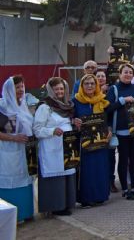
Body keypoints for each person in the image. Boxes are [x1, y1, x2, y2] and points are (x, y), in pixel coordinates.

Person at [34, 77, 81, 215]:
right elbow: (37, 129)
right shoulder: (45, 107)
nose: (59, 91)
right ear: (51, 90)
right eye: (56, 89)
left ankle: (66, 204)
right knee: (56, 177)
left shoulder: (67, 105)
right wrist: (52, 131)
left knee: (67, 174)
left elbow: (66, 123)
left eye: (61, 88)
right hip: (52, 148)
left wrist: (74, 123)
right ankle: (55, 206)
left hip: (66, 147)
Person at [106, 63, 134, 200]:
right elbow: (108, 109)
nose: (128, 74)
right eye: (125, 72)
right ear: (120, 74)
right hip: (121, 130)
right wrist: (123, 100)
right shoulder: (114, 89)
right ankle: (125, 189)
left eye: (130, 72)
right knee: (123, 160)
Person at [73, 74, 111, 207]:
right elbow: (70, 118)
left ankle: (101, 196)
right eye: (86, 84)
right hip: (85, 143)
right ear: (81, 86)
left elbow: (108, 117)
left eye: (92, 83)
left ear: (97, 86)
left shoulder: (102, 100)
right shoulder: (75, 101)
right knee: (87, 171)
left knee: (100, 168)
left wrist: (110, 130)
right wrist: (74, 122)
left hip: (101, 141)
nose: (90, 86)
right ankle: (86, 198)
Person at [0, 76, 34, 222]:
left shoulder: (23, 104)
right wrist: (14, 138)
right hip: (7, 151)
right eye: (17, 87)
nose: (20, 90)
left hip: (24, 151)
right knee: (10, 182)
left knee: (25, 180)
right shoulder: (2, 106)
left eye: (22, 86)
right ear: (9, 89)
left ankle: (26, 212)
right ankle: (10, 217)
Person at [96, 70, 117, 193]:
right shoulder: (90, 91)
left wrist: (109, 126)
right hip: (95, 128)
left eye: (102, 76)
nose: (100, 78)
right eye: (98, 76)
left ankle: (111, 181)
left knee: (110, 156)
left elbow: (110, 109)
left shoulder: (111, 90)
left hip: (108, 127)